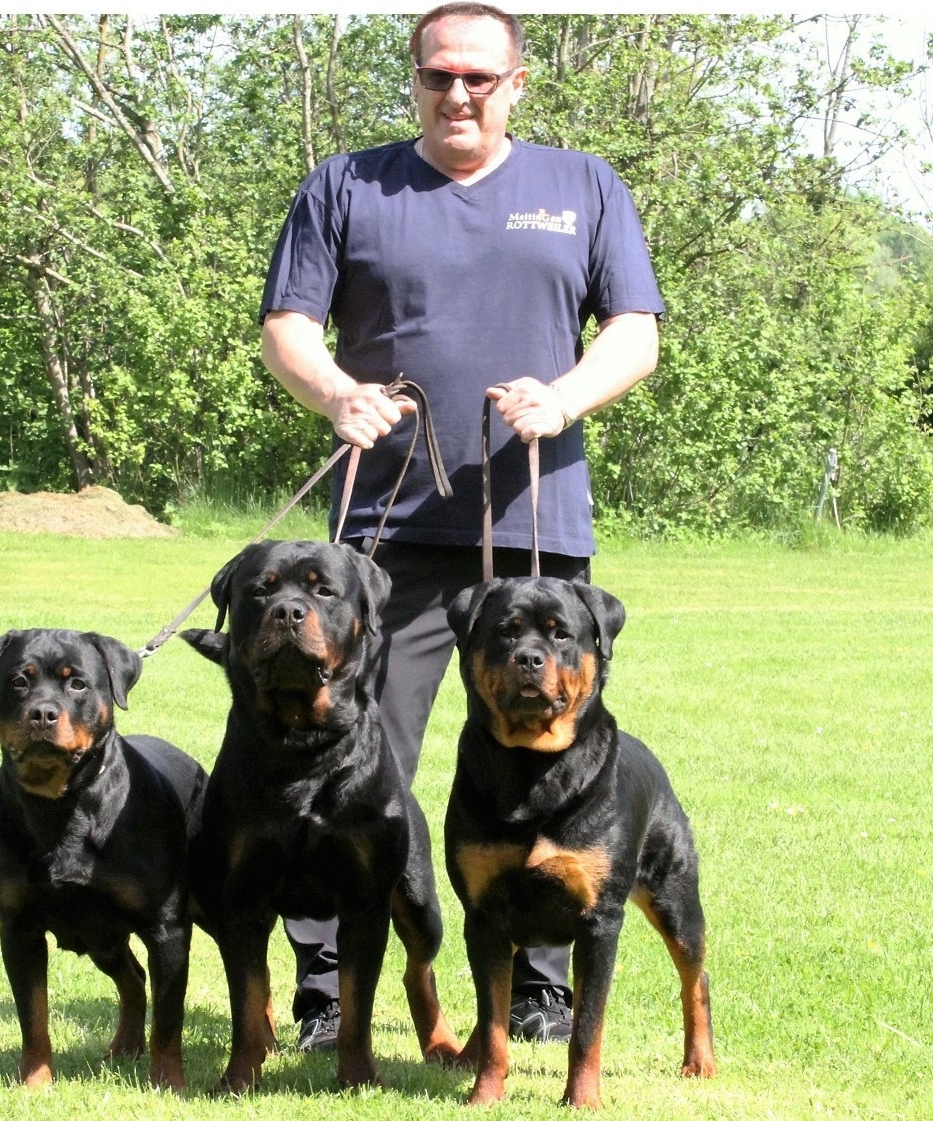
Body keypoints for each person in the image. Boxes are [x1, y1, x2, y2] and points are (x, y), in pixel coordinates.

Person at [258, 1, 664, 1053]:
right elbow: (287, 326)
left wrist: (564, 398)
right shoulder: (346, 186)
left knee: (548, 756)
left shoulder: (585, 186)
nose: (458, 92)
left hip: (534, 532)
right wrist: (337, 393)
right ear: (414, 80)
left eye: (479, 76)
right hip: (379, 543)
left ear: (516, 83)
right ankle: (328, 989)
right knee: (349, 762)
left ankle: (538, 988)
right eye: (438, 74)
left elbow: (635, 332)